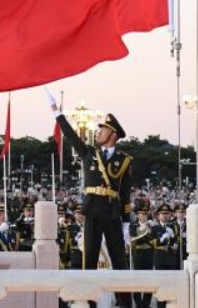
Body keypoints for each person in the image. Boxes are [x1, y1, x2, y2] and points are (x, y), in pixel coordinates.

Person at [50, 101, 133, 308]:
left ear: (113, 134)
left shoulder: (124, 160)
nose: (98, 133)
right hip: (93, 211)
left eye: (102, 130)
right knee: (90, 260)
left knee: (120, 263)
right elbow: (70, 136)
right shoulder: (89, 153)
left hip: (113, 213)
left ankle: (125, 304)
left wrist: (126, 223)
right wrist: (58, 115)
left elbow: (125, 194)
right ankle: (89, 303)